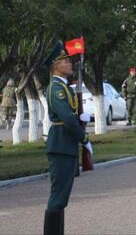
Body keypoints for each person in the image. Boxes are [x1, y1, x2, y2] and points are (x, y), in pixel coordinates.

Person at [42, 41, 92, 235]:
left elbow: (71, 116)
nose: (70, 64)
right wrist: (84, 138)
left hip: (66, 145)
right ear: (56, 66)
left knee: (62, 197)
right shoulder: (55, 88)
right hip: (61, 144)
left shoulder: (65, 87)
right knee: (58, 196)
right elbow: (66, 118)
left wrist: (81, 118)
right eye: (66, 61)